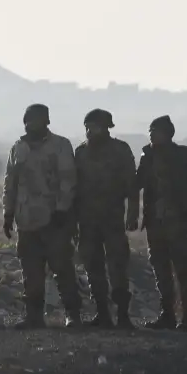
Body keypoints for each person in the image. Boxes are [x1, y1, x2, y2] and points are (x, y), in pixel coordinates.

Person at [2, 103, 82, 328]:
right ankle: (34, 316)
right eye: (28, 120)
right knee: (31, 271)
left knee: (62, 268)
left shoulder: (60, 146)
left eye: (36, 120)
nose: (31, 125)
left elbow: (68, 180)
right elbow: (10, 183)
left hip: (53, 219)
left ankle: (73, 315)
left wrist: (62, 209)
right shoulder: (18, 148)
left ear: (46, 121)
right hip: (26, 220)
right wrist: (8, 214)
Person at [73, 108, 140, 328]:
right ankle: (102, 313)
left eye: (94, 127)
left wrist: (132, 214)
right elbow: (74, 187)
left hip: (113, 218)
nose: (89, 131)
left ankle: (123, 315)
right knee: (93, 267)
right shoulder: (81, 153)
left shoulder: (120, 150)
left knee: (118, 267)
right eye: (87, 127)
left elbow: (131, 185)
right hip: (87, 220)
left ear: (106, 128)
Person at [134, 114, 187, 330]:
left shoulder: (184, 155)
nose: (152, 135)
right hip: (155, 221)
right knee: (160, 270)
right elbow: (136, 183)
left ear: (168, 134)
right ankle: (168, 314)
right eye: (150, 131)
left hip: (178, 221)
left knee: (183, 270)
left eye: (156, 131)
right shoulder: (148, 157)